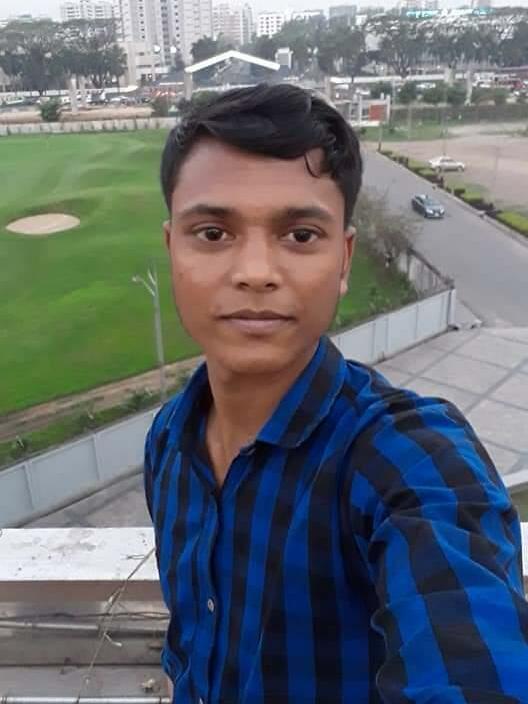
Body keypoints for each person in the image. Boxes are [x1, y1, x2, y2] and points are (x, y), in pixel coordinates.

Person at [143, 84, 528, 703]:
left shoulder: (406, 457)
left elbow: (469, 649)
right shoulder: (169, 440)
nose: (255, 272)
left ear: (344, 260)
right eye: (213, 233)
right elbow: (189, 643)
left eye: (300, 235)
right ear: (172, 250)